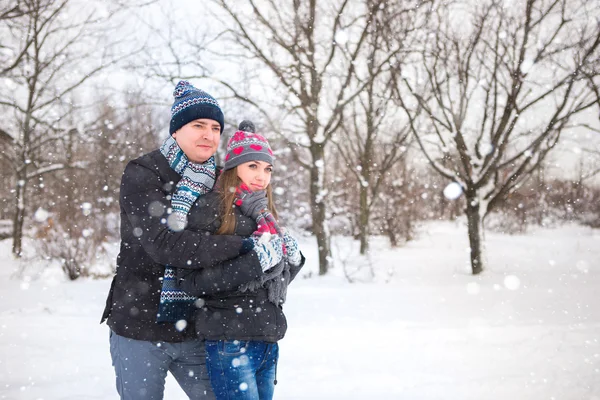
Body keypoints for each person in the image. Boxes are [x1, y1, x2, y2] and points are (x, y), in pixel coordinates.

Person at [101, 81, 284, 400]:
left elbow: (254, 228)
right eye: (198, 125)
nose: (209, 135)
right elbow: (165, 245)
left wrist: (279, 249)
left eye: (216, 127)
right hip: (139, 325)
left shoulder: (223, 180)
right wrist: (247, 249)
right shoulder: (144, 172)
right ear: (176, 130)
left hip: (199, 327)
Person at [176, 121, 305, 400]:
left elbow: (268, 281)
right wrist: (255, 261)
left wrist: (293, 261)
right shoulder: (211, 208)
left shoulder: (263, 214)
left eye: (267, 168)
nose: (262, 176)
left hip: (267, 340)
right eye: (253, 166)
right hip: (230, 340)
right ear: (235, 168)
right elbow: (190, 281)